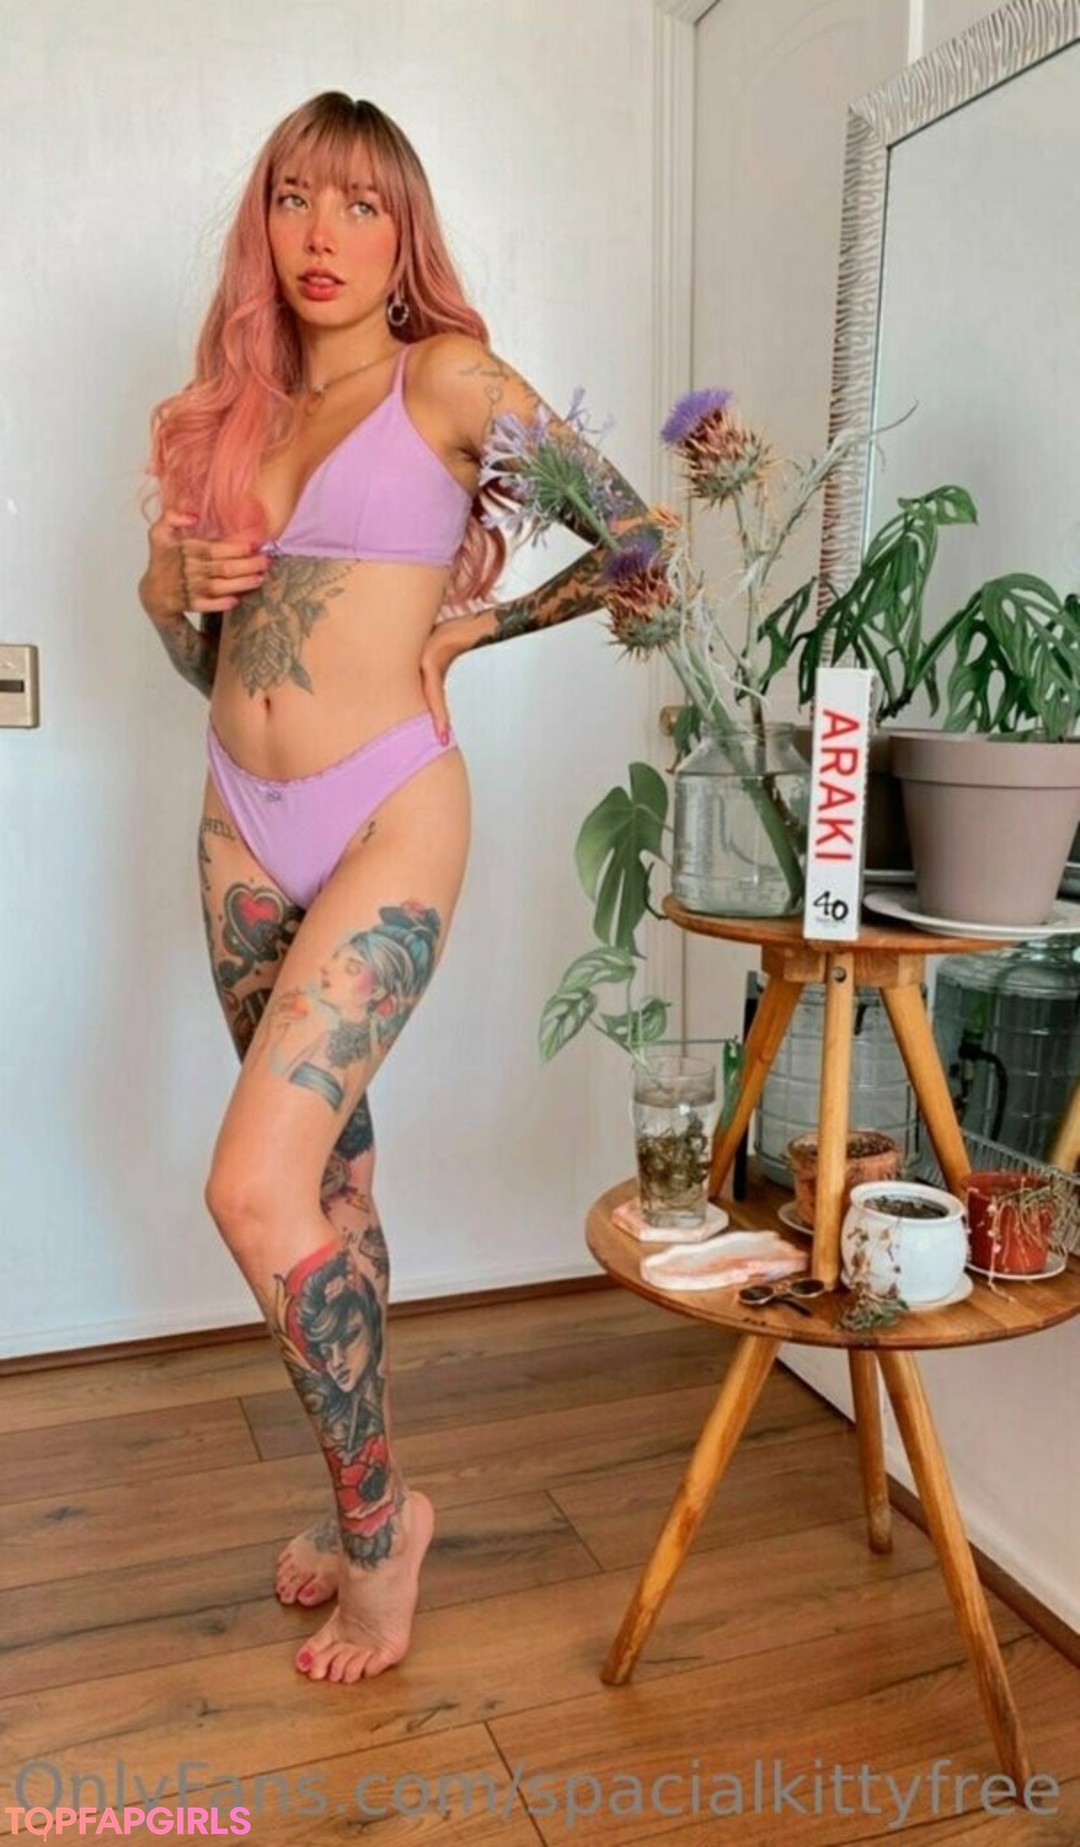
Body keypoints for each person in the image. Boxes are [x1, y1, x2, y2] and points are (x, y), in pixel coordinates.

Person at [139, 91, 655, 1686]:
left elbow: (639, 540)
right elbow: (204, 662)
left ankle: (382, 1541)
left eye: (362, 206)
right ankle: (365, 1494)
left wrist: (469, 632)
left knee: (252, 1191)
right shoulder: (225, 417)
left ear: (402, 232)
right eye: (296, 197)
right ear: (263, 220)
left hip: (386, 817)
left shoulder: (447, 382)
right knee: (330, 1193)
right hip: (239, 823)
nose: (323, 234)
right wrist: (169, 586)